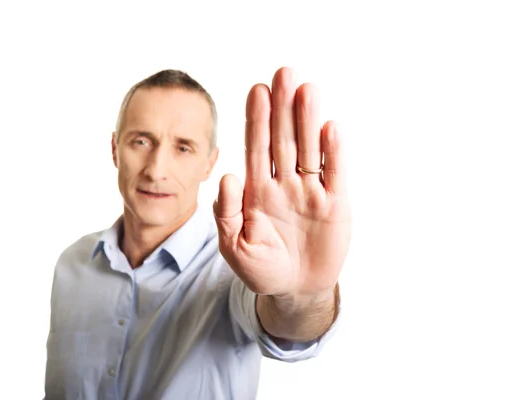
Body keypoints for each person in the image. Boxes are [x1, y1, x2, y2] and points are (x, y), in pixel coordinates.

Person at [43, 66, 352, 400]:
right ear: (115, 149)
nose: (156, 170)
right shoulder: (72, 264)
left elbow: (288, 327)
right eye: (141, 141)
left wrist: (302, 297)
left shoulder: (231, 271)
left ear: (209, 162)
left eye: (183, 148)